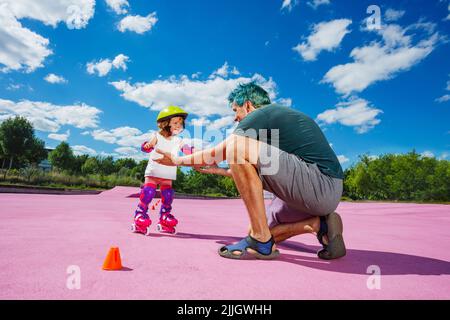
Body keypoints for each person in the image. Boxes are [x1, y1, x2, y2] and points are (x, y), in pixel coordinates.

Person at [154, 83, 346, 260]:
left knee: (236, 146)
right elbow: (254, 172)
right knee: (258, 225)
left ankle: (261, 242)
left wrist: (177, 160)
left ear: (248, 105)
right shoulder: (274, 129)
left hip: (321, 184)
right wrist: (216, 170)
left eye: (235, 110)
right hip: (320, 189)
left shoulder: (264, 112)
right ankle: (319, 225)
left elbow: (222, 151)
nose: (235, 117)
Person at [131, 105, 194, 235]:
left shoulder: (178, 140)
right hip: (154, 170)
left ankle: (165, 216)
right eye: (175, 122)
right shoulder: (157, 136)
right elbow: (148, 146)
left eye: (180, 123)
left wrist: (195, 152)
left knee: (168, 195)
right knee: (148, 193)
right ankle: (140, 214)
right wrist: (147, 146)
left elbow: (187, 149)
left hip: (168, 172)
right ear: (165, 123)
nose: (178, 125)